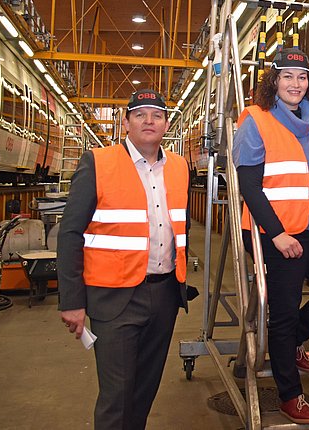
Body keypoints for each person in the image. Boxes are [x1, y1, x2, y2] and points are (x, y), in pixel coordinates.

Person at [233, 47, 309, 424]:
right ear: (274, 80)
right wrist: (277, 234)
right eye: (287, 76)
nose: (295, 83)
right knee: (283, 314)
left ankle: (292, 344)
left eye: (302, 77)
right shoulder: (255, 119)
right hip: (279, 233)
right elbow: (249, 186)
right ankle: (290, 394)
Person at [57, 89, 191, 429]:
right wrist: (72, 301)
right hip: (114, 299)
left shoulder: (179, 167)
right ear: (126, 122)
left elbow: (179, 228)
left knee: (144, 392)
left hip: (164, 295)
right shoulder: (98, 163)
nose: (149, 121)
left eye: (156, 115)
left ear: (166, 124)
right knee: (116, 397)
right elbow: (70, 233)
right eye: (140, 114)